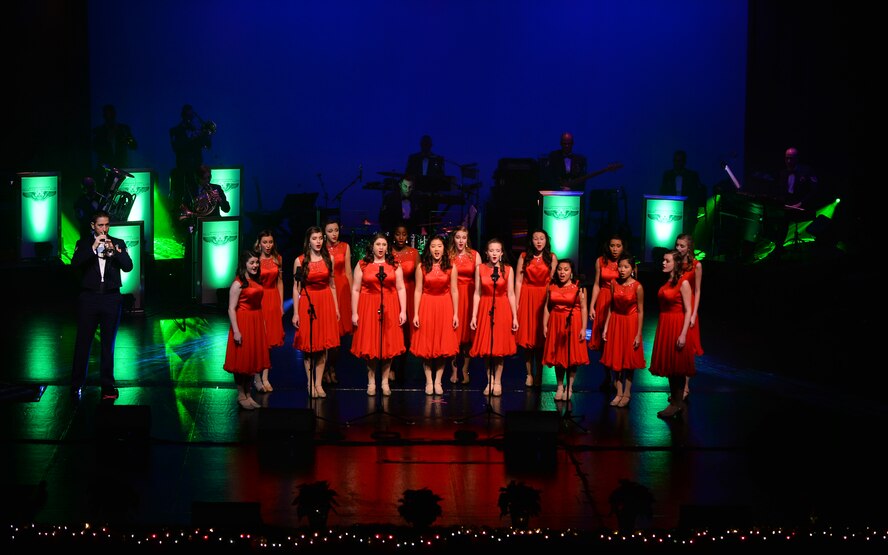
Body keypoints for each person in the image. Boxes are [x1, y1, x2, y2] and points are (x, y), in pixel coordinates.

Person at [70, 209, 134, 400]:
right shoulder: (83, 244)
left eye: (107, 225)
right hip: (89, 299)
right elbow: (75, 265)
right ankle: (76, 384)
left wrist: (115, 251)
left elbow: (128, 266)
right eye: (100, 225)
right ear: (93, 226)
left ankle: (107, 385)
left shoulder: (118, 243)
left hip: (111, 299)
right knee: (83, 343)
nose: (104, 229)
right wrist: (93, 248)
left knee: (108, 344)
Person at [350, 232, 407, 396]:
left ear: (387, 247)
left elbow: (401, 288)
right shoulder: (363, 264)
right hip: (368, 306)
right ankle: (371, 381)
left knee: (388, 345)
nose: (381, 248)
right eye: (378, 244)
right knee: (371, 346)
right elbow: (355, 289)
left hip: (390, 305)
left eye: (384, 244)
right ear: (372, 246)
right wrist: (354, 313)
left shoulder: (394, 265)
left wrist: (403, 310)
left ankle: (385, 381)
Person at [293, 226, 341, 399]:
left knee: (322, 346)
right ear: (309, 241)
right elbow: (296, 287)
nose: (318, 241)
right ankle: (310, 383)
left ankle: (319, 383)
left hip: (325, 302)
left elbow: (332, 285)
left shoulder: (329, 259)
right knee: (310, 346)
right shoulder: (300, 260)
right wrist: (296, 313)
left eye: (320, 238)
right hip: (308, 302)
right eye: (314, 238)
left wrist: (336, 308)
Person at [648, 249, 695, 419]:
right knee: (670, 366)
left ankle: (677, 403)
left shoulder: (683, 283)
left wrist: (683, 334)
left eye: (667, 260)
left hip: (677, 324)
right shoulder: (668, 282)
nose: (663, 263)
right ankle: (675, 402)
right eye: (663, 260)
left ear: (676, 263)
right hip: (665, 324)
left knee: (678, 367)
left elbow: (688, 311)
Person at [469, 237, 519, 396]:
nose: (494, 253)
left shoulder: (508, 270)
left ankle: (497, 381)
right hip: (485, 308)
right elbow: (477, 293)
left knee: (499, 349)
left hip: (502, 309)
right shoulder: (480, 268)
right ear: (486, 253)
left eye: (497, 250)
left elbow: (511, 294)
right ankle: (489, 380)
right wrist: (474, 316)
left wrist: (515, 316)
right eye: (491, 250)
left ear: (502, 253)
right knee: (487, 349)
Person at [410, 235, 459, 395]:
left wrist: (455, 313)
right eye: (433, 246)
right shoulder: (422, 267)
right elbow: (418, 290)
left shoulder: (451, 266)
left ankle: (438, 381)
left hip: (444, 306)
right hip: (427, 305)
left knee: (441, 345)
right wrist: (416, 313)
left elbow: (454, 290)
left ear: (444, 248)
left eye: (439, 246)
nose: (436, 249)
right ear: (428, 249)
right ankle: (429, 381)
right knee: (427, 345)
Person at [223, 250, 269, 410]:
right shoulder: (238, 283)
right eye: (252, 263)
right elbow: (231, 308)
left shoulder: (256, 280)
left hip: (255, 321)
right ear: (244, 264)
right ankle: (241, 395)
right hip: (243, 322)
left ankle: (248, 394)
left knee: (251, 360)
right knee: (241, 361)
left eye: (257, 262)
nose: (255, 265)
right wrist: (236, 331)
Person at [599, 252, 646, 408]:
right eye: (620, 266)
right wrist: (606, 327)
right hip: (616, 322)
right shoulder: (614, 283)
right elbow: (611, 307)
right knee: (616, 359)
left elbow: (641, 311)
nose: (622, 270)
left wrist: (638, 334)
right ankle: (619, 392)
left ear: (632, 268)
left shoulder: (638, 286)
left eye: (626, 267)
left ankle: (627, 393)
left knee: (629, 360)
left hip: (631, 323)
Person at [515, 229, 557, 388]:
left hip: (543, 298)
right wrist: (517, 303)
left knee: (540, 339)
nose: (539, 242)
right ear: (531, 241)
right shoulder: (524, 256)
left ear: (546, 241)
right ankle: (529, 374)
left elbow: (553, 282)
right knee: (527, 340)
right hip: (527, 298)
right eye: (536, 239)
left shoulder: (551, 257)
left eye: (542, 238)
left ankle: (539, 372)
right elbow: (518, 281)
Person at [541, 258, 589, 402]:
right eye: (560, 269)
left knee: (571, 357)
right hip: (556, 322)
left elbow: (584, 308)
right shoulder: (552, 286)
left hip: (573, 323)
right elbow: (547, 307)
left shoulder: (579, 287)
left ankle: (570, 387)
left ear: (571, 272)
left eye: (566, 270)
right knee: (558, 357)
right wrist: (545, 325)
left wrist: (583, 328)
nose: (562, 272)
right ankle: (560, 386)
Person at [765, 147, 820, 257]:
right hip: (788, 206)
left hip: (802, 206)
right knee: (766, 214)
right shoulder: (783, 173)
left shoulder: (807, 171)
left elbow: (814, 191)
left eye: (791, 158)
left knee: (783, 219)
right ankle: (776, 243)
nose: (789, 161)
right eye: (787, 158)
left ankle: (779, 247)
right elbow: (780, 192)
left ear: (797, 159)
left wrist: (800, 203)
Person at [588, 234, 626, 391]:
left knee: (617, 341)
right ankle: (607, 376)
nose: (615, 249)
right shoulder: (600, 261)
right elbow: (597, 284)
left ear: (623, 247)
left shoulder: (627, 262)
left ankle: (618, 378)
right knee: (604, 341)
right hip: (603, 300)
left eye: (618, 246)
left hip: (619, 301)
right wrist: (592, 305)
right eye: (612, 245)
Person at [447, 225, 481, 385]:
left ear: (467, 239)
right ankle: (454, 371)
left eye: (464, 237)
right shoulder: (448, 255)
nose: (461, 240)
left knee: (467, 336)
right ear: (453, 239)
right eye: (458, 237)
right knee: (453, 335)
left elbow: (480, 278)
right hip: (452, 295)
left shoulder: (475, 255)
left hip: (469, 295)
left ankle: (465, 369)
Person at [252, 229, 285, 394]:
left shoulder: (277, 258)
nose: (268, 245)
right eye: (265, 242)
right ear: (259, 243)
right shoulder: (255, 259)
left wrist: (280, 305)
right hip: (259, 300)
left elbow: (280, 282)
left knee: (269, 342)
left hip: (272, 300)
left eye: (270, 242)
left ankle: (265, 377)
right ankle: (256, 378)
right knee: (259, 341)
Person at [323, 218, 353, 385]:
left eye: (336, 230)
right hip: (327, 290)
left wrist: (352, 295)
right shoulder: (320, 248)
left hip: (342, 290)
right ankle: (324, 369)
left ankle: (332, 367)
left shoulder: (345, 246)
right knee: (328, 333)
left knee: (339, 337)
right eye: (330, 231)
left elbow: (348, 272)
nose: (334, 234)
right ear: (324, 233)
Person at [673, 233, 703, 402]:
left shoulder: (696, 265)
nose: (679, 248)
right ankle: (677, 387)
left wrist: (694, 313)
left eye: (682, 246)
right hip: (677, 305)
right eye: (677, 245)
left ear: (689, 247)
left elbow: (697, 290)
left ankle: (685, 386)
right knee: (677, 346)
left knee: (688, 348)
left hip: (689, 305)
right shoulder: (675, 262)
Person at [389, 222, 420, 383]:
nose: (401, 237)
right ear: (393, 235)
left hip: (410, 293)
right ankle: (391, 367)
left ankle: (402, 366)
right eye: (398, 234)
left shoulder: (414, 253)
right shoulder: (388, 251)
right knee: (393, 330)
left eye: (404, 234)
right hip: (392, 293)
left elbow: (419, 277)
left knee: (407, 333)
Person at [170, 103, 213, 206]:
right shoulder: (176, 130)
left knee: (197, 192)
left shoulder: (196, 129)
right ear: (184, 115)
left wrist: (206, 134)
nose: (191, 117)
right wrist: (192, 137)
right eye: (188, 115)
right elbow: (177, 147)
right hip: (184, 167)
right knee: (183, 193)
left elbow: (207, 145)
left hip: (196, 167)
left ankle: (198, 209)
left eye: (192, 115)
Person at [659, 150, 707, 235]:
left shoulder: (692, 175)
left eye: (679, 161)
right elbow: (663, 192)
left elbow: (696, 194)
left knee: (688, 223)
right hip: (671, 207)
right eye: (676, 161)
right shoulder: (668, 175)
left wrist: (689, 205)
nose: (677, 163)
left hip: (687, 207)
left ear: (684, 162)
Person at [91, 104, 137, 174]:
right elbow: (95, 148)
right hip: (105, 169)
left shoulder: (123, 129)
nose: (109, 118)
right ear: (104, 116)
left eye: (111, 115)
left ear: (114, 115)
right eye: (107, 115)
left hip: (120, 167)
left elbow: (133, 146)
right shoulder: (99, 131)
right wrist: (105, 140)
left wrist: (127, 138)